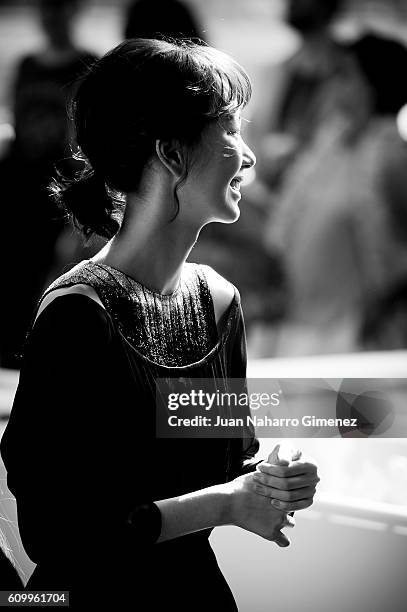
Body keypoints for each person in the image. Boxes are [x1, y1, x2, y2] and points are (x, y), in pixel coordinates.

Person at [0, 39, 319, 609]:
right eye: (230, 131)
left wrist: (269, 480)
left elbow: (226, 463)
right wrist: (226, 503)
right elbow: (53, 534)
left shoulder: (219, 302)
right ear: (172, 153)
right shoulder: (79, 314)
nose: (248, 156)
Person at [0, 0, 97, 369]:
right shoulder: (27, 64)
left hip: (58, 181)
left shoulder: (86, 63)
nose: (51, 19)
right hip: (18, 180)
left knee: (48, 266)